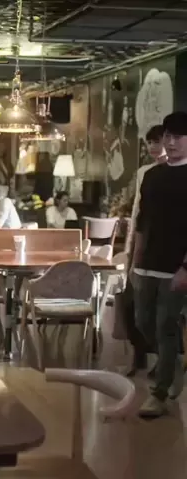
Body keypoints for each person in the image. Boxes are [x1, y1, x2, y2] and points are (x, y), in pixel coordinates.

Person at [131, 112, 187, 418]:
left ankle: (159, 393)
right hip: (147, 263)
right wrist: (135, 260)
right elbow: (143, 220)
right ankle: (173, 362)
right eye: (168, 136)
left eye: (178, 137)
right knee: (143, 323)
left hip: (176, 267)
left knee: (165, 326)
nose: (171, 142)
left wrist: (185, 269)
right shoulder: (152, 175)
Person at [124, 125, 167, 377]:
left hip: (165, 246)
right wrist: (130, 247)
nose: (153, 146)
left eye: (157, 141)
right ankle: (138, 355)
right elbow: (137, 211)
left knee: (161, 309)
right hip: (141, 240)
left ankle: (163, 360)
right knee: (131, 303)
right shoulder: (144, 172)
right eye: (149, 142)